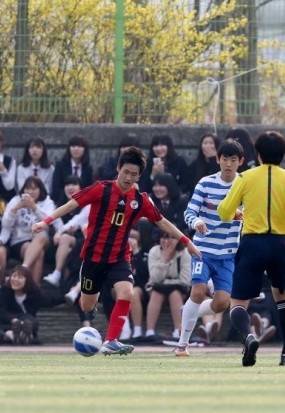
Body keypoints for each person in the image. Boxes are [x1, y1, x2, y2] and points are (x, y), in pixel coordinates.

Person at [31, 146, 201, 355]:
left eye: (134, 174)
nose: (129, 177)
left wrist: (188, 242)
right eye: (126, 172)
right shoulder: (101, 189)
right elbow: (71, 204)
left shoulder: (140, 200)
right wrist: (46, 221)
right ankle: (91, 304)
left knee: (127, 292)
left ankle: (111, 341)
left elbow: (163, 222)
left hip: (119, 256)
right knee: (86, 305)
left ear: (140, 175)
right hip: (93, 257)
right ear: (118, 168)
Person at [218, 130, 285, 367]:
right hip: (280, 243)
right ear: (283, 154)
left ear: (258, 154)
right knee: (283, 297)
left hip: (252, 243)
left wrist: (236, 213)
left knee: (238, 302)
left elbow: (223, 211)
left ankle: (249, 336)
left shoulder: (245, 178)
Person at [175, 139, 244, 356]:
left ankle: (188, 311)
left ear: (240, 161)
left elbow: (253, 213)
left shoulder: (245, 185)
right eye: (225, 159)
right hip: (202, 250)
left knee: (222, 303)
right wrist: (197, 223)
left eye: (233, 160)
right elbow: (189, 212)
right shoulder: (205, 183)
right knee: (198, 292)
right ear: (217, 159)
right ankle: (182, 345)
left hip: (228, 254)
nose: (228, 164)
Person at [0, 175, 58, 284]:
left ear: (40, 190)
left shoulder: (47, 202)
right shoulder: (16, 200)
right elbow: (5, 223)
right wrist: (16, 208)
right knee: (39, 254)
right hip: (20, 241)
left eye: (34, 189)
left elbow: (50, 220)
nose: (30, 191)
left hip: (41, 239)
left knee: (41, 236)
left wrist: (34, 207)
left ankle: (22, 270)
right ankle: (34, 289)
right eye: (27, 188)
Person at [145, 231, 191, 339]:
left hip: (178, 289)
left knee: (174, 293)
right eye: (163, 238)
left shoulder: (185, 253)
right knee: (157, 292)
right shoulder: (154, 252)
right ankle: (149, 331)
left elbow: (185, 280)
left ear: (178, 240)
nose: (166, 241)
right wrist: (164, 260)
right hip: (157, 287)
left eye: (171, 238)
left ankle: (177, 331)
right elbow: (155, 278)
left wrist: (167, 284)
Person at [0, 265, 48, 345]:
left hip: (26, 321)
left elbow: (31, 312)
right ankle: (13, 336)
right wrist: (14, 320)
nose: (15, 280)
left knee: (31, 322)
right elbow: (1, 311)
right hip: (7, 321)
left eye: (20, 277)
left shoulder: (34, 293)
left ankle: (25, 337)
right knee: (0, 329)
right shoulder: (4, 291)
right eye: (13, 276)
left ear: (27, 280)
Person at [51, 135, 93, 205]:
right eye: (73, 146)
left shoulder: (88, 168)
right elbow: (56, 188)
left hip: (81, 204)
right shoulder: (60, 166)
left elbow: (88, 189)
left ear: (85, 149)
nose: (76, 149)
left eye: (79, 146)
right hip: (62, 203)